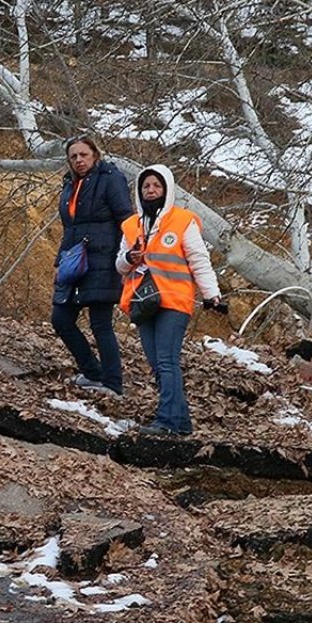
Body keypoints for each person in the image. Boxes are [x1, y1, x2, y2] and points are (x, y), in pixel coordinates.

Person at [116, 164, 226, 436]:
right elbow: (119, 264)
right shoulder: (131, 225)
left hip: (173, 301)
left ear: (167, 189)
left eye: (156, 185)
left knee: (166, 361)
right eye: (146, 186)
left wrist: (212, 295)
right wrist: (129, 258)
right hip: (142, 302)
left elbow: (199, 260)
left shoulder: (182, 220)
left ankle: (166, 422)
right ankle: (181, 423)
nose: (151, 190)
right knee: (157, 363)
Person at [51, 134, 134, 398]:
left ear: (95, 154)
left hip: (104, 261)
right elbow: (70, 228)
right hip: (74, 262)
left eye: (83, 154)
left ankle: (112, 383)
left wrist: (126, 261)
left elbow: (126, 219)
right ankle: (92, 372)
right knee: (60, 319)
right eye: (73, 156)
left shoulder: (111, 178)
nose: (78, 160)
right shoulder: (69, 184)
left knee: (101, 323)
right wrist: (59, 260)